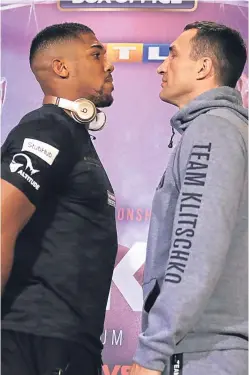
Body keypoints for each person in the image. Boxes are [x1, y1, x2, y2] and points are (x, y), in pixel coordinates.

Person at [130, 21, 248, 375]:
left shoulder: (212, 130)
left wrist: (153, 349)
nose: (162, 66)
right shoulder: (225, 128)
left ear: (203, 67)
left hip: (203, 352)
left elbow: (194, 247)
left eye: (173, 55)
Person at [1, 22, 118, 375]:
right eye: (96, 53)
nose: (109, 63)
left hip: (67, 344)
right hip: (34, 342)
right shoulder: (48, 129)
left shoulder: (71, 135)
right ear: (62, 68)